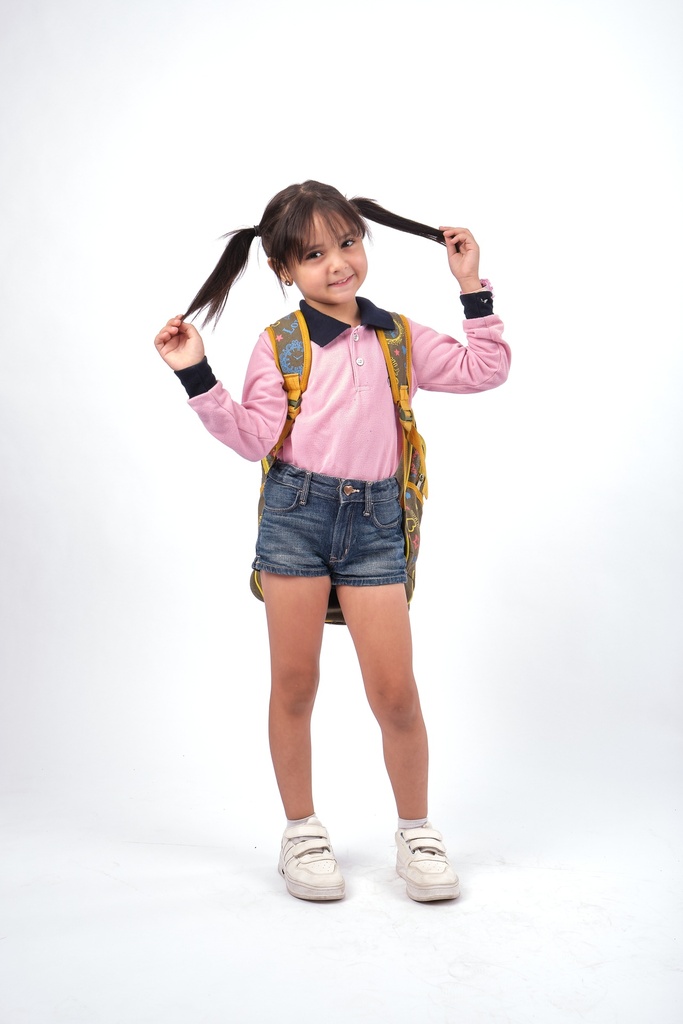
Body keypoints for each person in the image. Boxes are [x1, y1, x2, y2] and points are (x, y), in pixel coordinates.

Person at [154, 181, 510, 903]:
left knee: (395, 694)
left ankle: (415, 831)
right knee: (294, 685)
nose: (337, 264)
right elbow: (253, 437)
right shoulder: (279, 346)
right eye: (313, 254)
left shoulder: (396, 336)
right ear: (285, 271)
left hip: (377, 525)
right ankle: (301, 832)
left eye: (346, 243)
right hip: (296, 516)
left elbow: (485, 369)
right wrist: (196, 372)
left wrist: (470, 287)